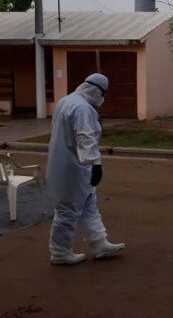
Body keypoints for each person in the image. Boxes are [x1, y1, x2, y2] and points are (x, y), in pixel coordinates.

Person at [47, 73, 126, 265]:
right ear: (96, 90)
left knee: (89, 203)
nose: (103, 98)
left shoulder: (66, 101)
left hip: (71, 165)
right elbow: (85, 137)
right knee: (68, 210)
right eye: (103, 93)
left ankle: (99, 243)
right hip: (72, 168)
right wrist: (95, 163)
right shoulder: (82, 108)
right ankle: (60, 252)